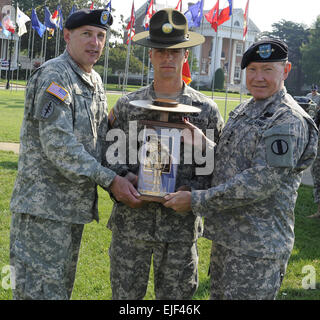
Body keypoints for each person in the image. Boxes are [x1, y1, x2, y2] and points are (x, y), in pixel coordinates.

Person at [164, 39, 318, 299]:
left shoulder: (288, 119)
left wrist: (196, 200)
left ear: (286, 70)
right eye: (253, 69)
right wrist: (204, 143)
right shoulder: (247, 108)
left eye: (268, 70)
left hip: (258, 250)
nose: (258, 77)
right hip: (229, 240)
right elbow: (234, 161)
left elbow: (259, 182)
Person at [9, 8, 141, 300]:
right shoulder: (55, 76)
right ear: (67, 36)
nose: (95, 43)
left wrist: (122, 173)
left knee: (58, 293)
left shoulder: (93, 81)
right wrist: (110, 181)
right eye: (87, 35)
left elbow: (96, 142)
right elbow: (60, 147)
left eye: (101, 36)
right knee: (38, 293)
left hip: (70, 211)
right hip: (43, 212)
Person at [106, 8, 224, 299]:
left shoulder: (206, 111)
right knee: (126, 301)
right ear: (151, 55)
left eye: (176, 51)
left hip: (180, 231)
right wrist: (122, 180)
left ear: (186, 54)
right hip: (131, 227)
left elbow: (216, 165)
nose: (168, 57)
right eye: (160, 51)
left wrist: (193, 193)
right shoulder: (127, 105)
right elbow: (110, 157)